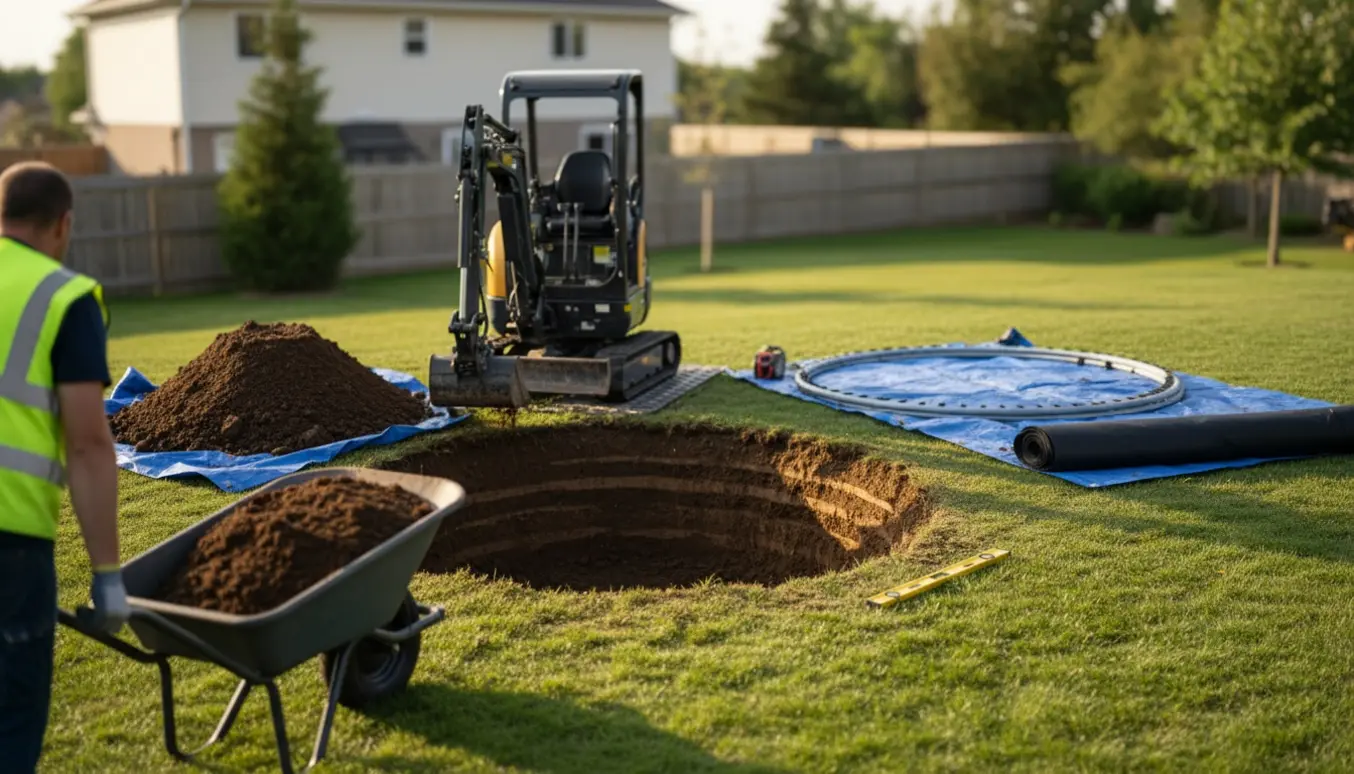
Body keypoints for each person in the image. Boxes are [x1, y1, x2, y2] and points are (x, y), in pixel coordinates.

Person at [0, 161, 130, 774]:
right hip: (12, 544)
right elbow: (87, 445)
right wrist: (106, 575)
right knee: (10, 725)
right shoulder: (63, 297)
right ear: (63, 224)